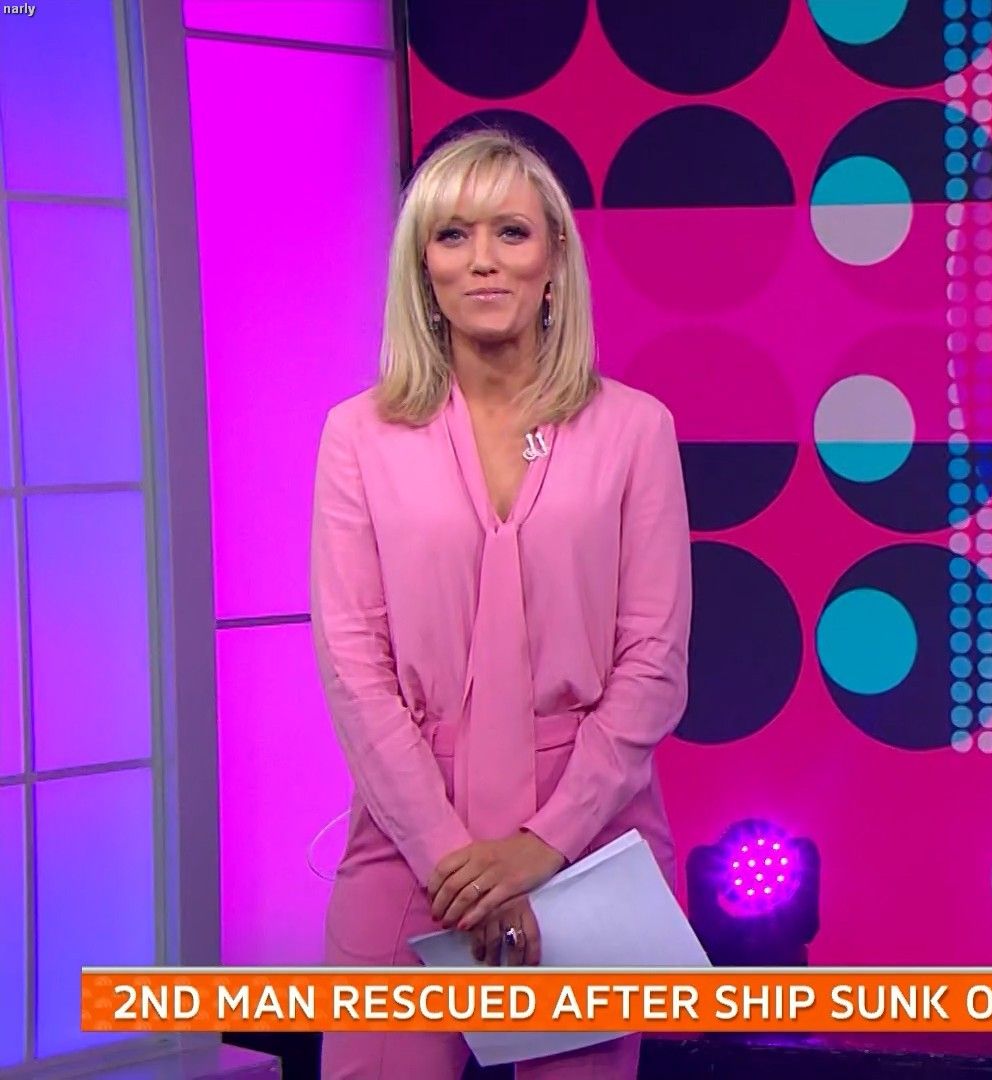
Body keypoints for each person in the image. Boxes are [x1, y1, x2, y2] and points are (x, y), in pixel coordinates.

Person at [310, 129, 691, 1078]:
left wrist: (539, 847)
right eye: (453, 235)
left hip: (587, 830)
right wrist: (453, 857)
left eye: (510, 232)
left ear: (554, 259)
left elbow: (653, 664)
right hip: (410, 832)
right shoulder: (357, 436)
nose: (482, 259)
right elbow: (354, 669)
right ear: (423, 268)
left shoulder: (636, 430)